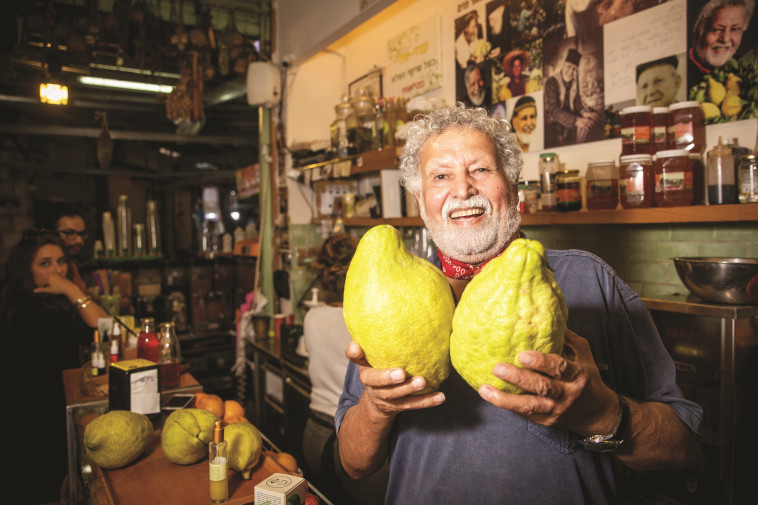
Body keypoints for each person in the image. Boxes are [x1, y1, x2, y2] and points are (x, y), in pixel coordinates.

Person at [335, 104, 704, 505]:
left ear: (512, 186)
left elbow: (684, 450)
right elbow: (354, 464)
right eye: (441, 176)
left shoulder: (589, 280)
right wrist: (377, 407)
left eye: (481, 170)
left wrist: (598, 414)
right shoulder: (387, 298)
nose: (463, 189)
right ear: (421, 200)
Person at [1, 230, 108, 504]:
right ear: (26, 268)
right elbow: (102, 327)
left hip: (49, 413)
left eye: (61, 261)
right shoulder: (26, 311)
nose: (57, 270)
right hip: (34, 423)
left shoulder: (45, 303)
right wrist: (71, 288)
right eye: (45, 263)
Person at [301, 233, 389, 505]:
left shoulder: (312, 316)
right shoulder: (370, 322)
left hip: (314, 434)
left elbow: (309, 359)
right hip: (354, 436)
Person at [544, 48, 602, 146]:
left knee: (592, 123)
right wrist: (576, 121)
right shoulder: (552, 82)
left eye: (574, 68)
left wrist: (584, 113)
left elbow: (577, 101)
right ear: (563, 65)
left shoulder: (573, 82)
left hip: (570, 119)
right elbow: (553, 110)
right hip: (554, 123)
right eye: (569, 67)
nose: (571, 71)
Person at [689, 0, 754, 74]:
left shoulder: (746, 71)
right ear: (699, 30)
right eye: (717, 29)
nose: (725, 39)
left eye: (734, 29)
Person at [49, 205, 90, 292]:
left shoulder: (76, 268)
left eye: (82, 234)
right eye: (69, 233)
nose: (79, 240)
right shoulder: (46, 270)